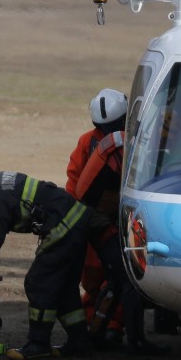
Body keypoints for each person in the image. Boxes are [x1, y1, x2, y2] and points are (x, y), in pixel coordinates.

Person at [0, 171, 112, 360]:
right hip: (75, 219)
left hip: (64, 224)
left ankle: (38, 343)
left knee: (39, 284)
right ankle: (80, 342)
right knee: (64, 289)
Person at [75, 126, 171, 356]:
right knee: (129, 280)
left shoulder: (107, 145)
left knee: (117, 281)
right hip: (102, 226)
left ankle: (96, 335)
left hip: (97, 224)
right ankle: (135, 342)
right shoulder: (120, 148)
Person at [64, 89, 129, 344]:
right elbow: (74, 183)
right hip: (100, 222)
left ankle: (107, 325)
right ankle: (101, 325)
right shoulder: (93, 144)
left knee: (111, 278)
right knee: (100, 277)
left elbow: (73, 183)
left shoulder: (93, 142)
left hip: (107, 221)